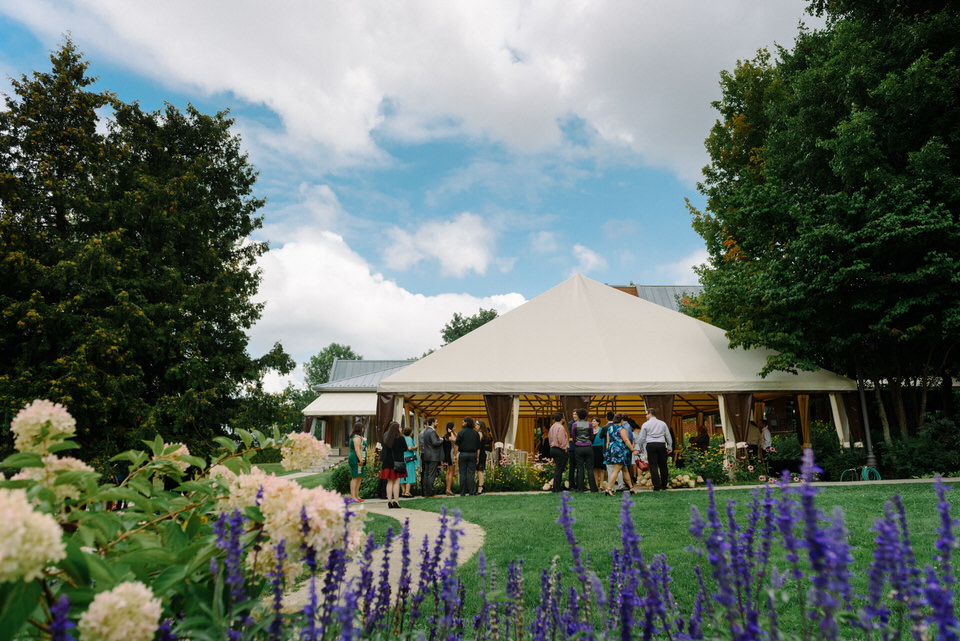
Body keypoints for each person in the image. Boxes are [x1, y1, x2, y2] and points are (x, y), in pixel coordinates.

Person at [638, 408, 674, 492]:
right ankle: (664, 485)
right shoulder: (662, 423)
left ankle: (656, 486)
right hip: (661, 444)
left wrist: (641, 448)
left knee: (653, 466)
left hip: (651, 445)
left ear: (650, 413)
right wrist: (669, 447)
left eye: (646, 414)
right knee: (663, 465)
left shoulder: (645, 424)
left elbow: (641, 438)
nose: (646, 416)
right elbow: (668, 436)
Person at [604, 413, 638, 495]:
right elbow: (626, 440)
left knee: (625, 469)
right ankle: (608, 489)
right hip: (620, 450)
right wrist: (633, 450)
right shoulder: (621, 429)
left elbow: (608, 442)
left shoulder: (610, 428)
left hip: (612, 449)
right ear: (622, 420)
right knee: (616, 470)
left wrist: (608, 451)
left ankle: (631, 488)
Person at [379, 421, 407, 508]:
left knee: (389, 482)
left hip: (387, 463)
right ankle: (396, 501)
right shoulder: (401, 439)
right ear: (397, 429)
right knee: (396, 482)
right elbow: (405, 448)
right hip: (397, 462)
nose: (401, 429)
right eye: (399, 427)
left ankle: (389, 501)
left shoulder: (386, 439)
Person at [570, 409, 598, 492]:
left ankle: (580, 488)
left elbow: (573, 436)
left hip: (578, 447)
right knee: (590, 468)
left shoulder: (574, 425)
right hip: (588, 447)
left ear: (578, 415)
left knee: (580, 468)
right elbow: (592, 436)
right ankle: (593, 488)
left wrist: (577, 442)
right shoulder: (589, 424)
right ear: (585, 416)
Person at [454, 416, 482, 496]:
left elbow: (456, 445)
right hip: (473, 454)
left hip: (463, 454)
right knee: (471, 474)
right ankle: (472, 492)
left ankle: (462, 492)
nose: (462, 423)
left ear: (466, 422)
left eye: (463, 422)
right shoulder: (475, 433)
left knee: (462, 473)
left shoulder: (460, 432)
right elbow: (478, 448)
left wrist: (454, 455)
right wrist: (477, 457)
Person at [420, 417, 443, 497]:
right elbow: (435, 442)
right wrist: (441, 440)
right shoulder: (432, 431)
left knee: (426, 474)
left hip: (426, 455)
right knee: (431, 475)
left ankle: (426, 493)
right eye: (436, 422)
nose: (437, 423)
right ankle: (431, 493)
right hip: (433, 456)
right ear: (433, 422)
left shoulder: (425, 431)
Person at [548, 412, 570, 492]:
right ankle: (556, 487)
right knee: (559, 469)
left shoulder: (552, 427)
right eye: (563, 417)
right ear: (561, 418)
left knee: (558, 468)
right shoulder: (560, 427)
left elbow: (549, 438)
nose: (564, 419)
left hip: (552, 449)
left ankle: (556, 486)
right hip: (559, 449)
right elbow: (561, 439)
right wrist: (565, 448)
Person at [347, 422, 367, 504]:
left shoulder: (359, 437)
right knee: (355, 477)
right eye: (362, 428)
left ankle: (357, 495)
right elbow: (357, 449)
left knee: (359, 476)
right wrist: (360, 459)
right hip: (355, 458)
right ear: (359, 428)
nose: (363, 429)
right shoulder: (356, 438)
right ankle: (353, 497)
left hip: (360, 457)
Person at [476, 419, 494, 494]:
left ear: (480, 426)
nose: (475, 426)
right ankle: (482, 486)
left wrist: (477, 456)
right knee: (481, 470)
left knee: (479, 470)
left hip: (480, 454)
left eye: (476, 425)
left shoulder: (479, 434)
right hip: (483, 453)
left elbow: (478, 446)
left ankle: (480, 487)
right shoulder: (484, 434)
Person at [400, 425, 418, 497]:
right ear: (410, 433)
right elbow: (410, 448)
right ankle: (407, 492)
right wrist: (415, 447)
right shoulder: (409, 439)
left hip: (402, 458)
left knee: (402, 475)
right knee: (409, 475)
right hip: (409, 459)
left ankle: (403, 492)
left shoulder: (402, 439)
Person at [592, 414, 608, 490]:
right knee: (594, 468)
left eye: (594, 421)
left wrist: (603, 451)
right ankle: (595, 484)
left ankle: (601, 485)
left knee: (601, 468)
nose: (592, 422)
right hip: (592, 449)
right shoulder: (590, 430)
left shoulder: (601, 430)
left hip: (600, 449)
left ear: (598, 422)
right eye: (592, 421)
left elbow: (603, 440)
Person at [442, 422, 456, 496]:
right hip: (450, 455)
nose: (455, 428)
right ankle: (448, 489)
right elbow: (454, 439)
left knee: (449, 472)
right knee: (451, 472)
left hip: (449, 455)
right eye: (453, 427)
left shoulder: (448, 435)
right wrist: (451, 432)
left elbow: (457, 437)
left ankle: (448, 488)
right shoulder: (447, 436)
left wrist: (453, 432)